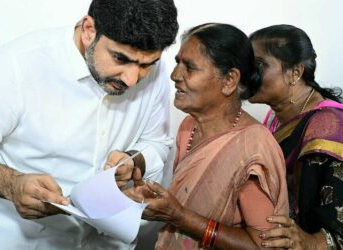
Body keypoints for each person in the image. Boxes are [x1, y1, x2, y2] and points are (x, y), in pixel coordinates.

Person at [0, 0, 178, 249]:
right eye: (120, 58)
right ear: (89, 29)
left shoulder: (155, 73)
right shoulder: (15, 67)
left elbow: (157, 143)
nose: (132, 79)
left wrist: (133, 160)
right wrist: (10, 184)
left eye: (146, 65)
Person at [127, 23, 289, 249]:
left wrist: (180, 217)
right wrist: (155, 201)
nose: (175, 76)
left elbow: (265, 246)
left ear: (230, 80)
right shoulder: (188, 127)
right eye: (177, 63)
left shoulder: (252, 148)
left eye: (189, 67)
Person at [248, 24, 343, 249]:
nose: (248, 74)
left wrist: (312, 241)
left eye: (259, 65)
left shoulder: (327, 126)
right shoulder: (275, 116)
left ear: (295, 73)